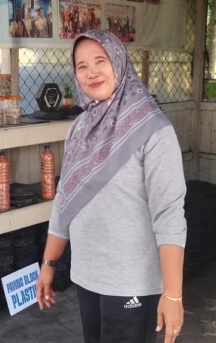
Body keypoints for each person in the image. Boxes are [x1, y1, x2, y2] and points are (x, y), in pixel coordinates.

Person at [36, 30, 187, 343]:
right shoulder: (80, 128)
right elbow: (65, 200)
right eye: (81, 66)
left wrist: (173, 295)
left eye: (100, 61)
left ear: (119, 62)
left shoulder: (153, 129)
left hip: (132, 281)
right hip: (88, 275)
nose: (91, 72)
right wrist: (48, 263)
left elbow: (169, 215)